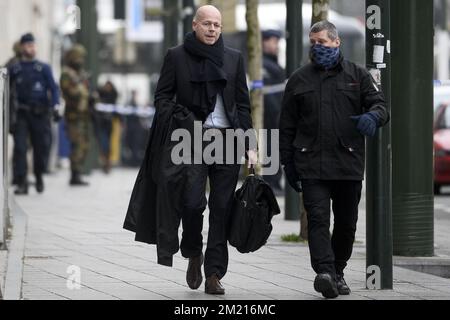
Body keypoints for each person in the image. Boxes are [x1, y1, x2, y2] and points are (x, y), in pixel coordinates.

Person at [124, 5, 257, 295]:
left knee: (221, 208)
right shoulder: (176, 56)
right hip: (190, 139)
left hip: (228, 141)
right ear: (195, 25)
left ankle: (214, 274)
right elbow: (162, 97)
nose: (212, 29)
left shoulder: (234, 59)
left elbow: (243, 105)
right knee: (192, 203)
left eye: (217, 25)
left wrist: (251, 144)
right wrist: (183, 118)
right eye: (207, 24)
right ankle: (193, 251)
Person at [279, 21, 389, 299]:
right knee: (317, 219)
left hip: (347, 164)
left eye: (322, 43)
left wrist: (372, 117)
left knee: (346, 224)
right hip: (311, 164)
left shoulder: (358, 75)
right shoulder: (299, 80)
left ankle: (338, 271)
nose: (317, 47)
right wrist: (288, 164)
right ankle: (324, 272)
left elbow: (381, 106)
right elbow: (287, 127)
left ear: (336, 42)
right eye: (313, 42)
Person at [8, 33, 60, 195]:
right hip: (22, 114)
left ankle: (38, 175)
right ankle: (22, 182)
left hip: (40, 114)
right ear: (22, 47)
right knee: (20, 148)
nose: (32, 48)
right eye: (28, 45)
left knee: (40, 147)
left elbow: (53, 88)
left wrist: (55, 106)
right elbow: (6, 90)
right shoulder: (14, 68)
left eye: (33, 45)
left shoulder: (43, 68)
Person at [60, 44, 91, 186]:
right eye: (78, 57)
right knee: (77, 145)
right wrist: (80, 91)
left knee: (83, 145)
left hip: (83, 115)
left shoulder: (80, 74)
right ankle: (75, 175)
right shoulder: (67, 74)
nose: (80, 60)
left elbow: (86, 92)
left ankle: (78, 173)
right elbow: (70, 91)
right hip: (73, 115)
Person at [261, 29, 285, 194]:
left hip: (276, 113)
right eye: (273, 41)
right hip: (270, 115)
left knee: (274, 146)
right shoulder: (263, 64)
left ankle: (275, 181)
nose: (276, 45)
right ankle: (272, 182)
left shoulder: (273, 63)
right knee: (270, 146)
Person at [95, 80, 118, 173]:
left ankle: (107, 162)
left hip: (109, 124)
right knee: (104, 143)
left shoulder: (112, 97)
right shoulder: (101, 95)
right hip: (101, 123)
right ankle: (105, 162)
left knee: (107, 144)